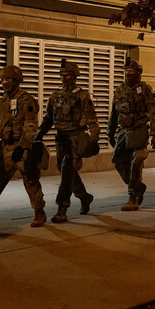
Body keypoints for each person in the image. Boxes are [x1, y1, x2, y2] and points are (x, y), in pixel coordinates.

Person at [0, 65, 46, 228]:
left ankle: (39, 212)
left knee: (30, 180)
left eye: (7, 79)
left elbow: (31, 126)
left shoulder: (26, 100)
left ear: (16, 81)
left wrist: (23, 147)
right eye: (2, 79)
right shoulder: (3, 100)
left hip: (21, 148)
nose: (4, 82)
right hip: (5, 148)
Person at [35, 59, 99, 221]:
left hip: (75, 139)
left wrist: (94, 138)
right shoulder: (56, 96)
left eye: (68, 75)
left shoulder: (82, 96)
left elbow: (92, 119)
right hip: (61, 139)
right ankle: (84, 196)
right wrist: (39, 134)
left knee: (67, 171)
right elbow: (49, 118)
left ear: (75, 76)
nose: (65, 78)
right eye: (63, 75)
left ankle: (62, 208)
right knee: (65, 170)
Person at [107, 58, 155, 211]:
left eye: (132, 71)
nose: (129, 74)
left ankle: (133, 197)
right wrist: (110, 132)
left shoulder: (145, 89)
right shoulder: (120, 90)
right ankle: (138, 187)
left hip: (139, 130)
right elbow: (114, 113)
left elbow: (153, 112)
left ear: (138, 73)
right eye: (127, 71)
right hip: (124, 132)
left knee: (137, 162)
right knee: (118, 161)